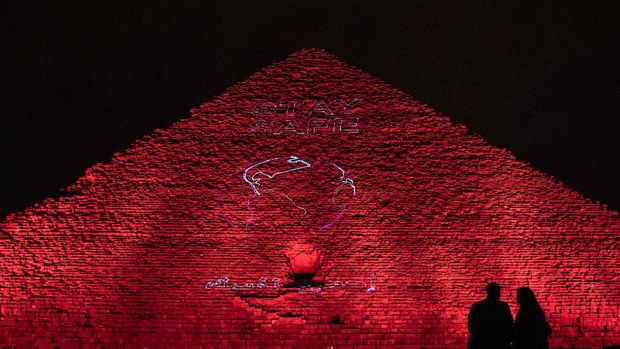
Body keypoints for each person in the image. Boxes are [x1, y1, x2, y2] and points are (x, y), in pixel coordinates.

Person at [467, 282, 513, 349]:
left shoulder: (477, 306)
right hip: (498, 343)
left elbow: (471, 326)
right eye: (498, 291)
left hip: (480, 342)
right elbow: (508, 325)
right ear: (497, 292)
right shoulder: (503, 307)